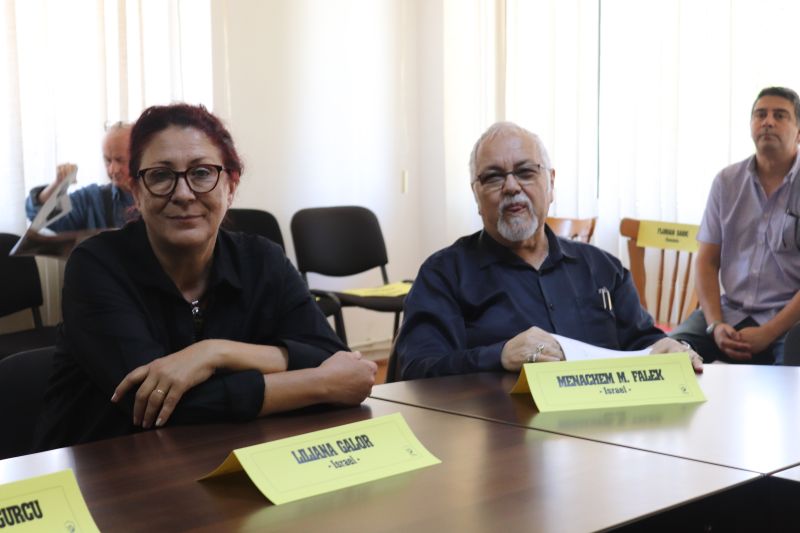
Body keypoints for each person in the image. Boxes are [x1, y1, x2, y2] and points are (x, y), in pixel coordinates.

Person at [34, 104, 376, 450]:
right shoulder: (96, 266)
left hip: (228, 459)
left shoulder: (263, 260)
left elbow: (331, 357)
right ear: (136, 191)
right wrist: (320, 384)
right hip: (108, 467)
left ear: (231, 185)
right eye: (161, 176)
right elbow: (154, 403)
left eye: (201, 173)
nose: (183, 194)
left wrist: (216, 353)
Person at [395, 121, 703, 380]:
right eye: (493, 177)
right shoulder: (444, 275)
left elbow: (643, 343)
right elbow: (415, 371)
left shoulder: (603, 269)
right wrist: (498, 356)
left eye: (525, 172)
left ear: (551, 183)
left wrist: (670, 349)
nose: (511, 187)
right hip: (501, 427)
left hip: (605, 428)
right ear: (476, 195)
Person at [671, 87, 800, 365]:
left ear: (799, 132)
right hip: (729, 312)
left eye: (780, 115)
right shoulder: (726, 182)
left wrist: (768, 332)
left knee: (791, 375)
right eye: (760, 114)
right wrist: (715, 325)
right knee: (669, 356)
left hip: (789, 321)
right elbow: (706, 262)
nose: (768, 122)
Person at [25, 122, 137, 231]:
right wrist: (58, 183)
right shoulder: (93, 199)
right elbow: (40, 218)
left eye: (120, 160)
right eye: (107, 160)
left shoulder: (148, 197)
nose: (112, 170)